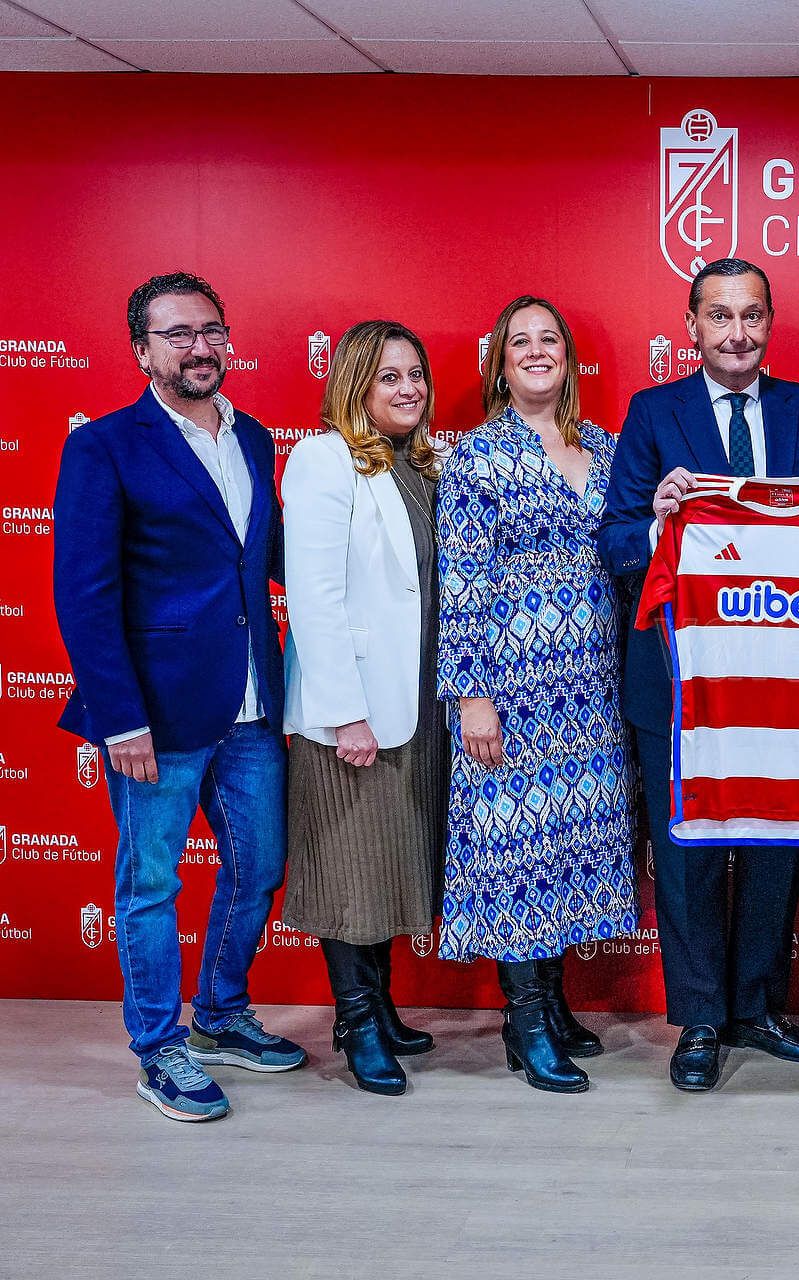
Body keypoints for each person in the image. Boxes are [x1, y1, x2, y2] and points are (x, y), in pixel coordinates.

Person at [52, 271, 307, 1122]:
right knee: (150, 886)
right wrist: (119, 716)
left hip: (251, 705)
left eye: (211, 330)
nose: (200, 348)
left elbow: (258, 560)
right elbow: (83, 595)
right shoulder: (105, 446)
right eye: (178, 335)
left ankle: (222, 1017)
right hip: (153, 715)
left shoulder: (259, 438)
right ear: (141, 351)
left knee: (259, 866)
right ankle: (160, 1050)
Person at [596, 258, 799, 1092]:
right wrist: (661, 520)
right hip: (679, 678)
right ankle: (700, 1020)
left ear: (770, 322)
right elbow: (616, 541)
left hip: (780, 676)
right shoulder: (652, 413)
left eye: (752, 316)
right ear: (692, 325)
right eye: (720, 317)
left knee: (776, 843)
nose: (737, 333)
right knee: (691, 848)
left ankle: (758, 1009)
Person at [437, 295, 638, 1094]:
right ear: (499, 361)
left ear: (568, 355)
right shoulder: (477, 455)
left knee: (561, 849)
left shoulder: (608, 446)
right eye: (519, 341)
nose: (535, 351)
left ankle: (551, 1005)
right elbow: (460, 583)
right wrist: (471, 695)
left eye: (548, 338)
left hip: (590, 685)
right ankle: (523, 1021)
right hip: (511, 685)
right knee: (514, 850)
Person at [281, 321, 450, 1096]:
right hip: (352, 707)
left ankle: (379, 1008)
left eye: (415, 373)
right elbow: (312, 597)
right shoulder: (322, 460)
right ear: (354, 383)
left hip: (413, 700)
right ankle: (354, 1022)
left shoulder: (423, 465)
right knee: (351, 867)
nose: (408, 387)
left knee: (387, 862)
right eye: (388, 377)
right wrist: (344, 712)